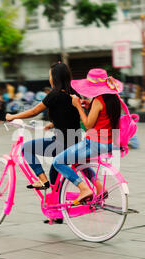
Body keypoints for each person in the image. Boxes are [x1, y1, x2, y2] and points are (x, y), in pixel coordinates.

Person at [5, 62, 81, 197]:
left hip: (61, 143)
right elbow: (68, 114)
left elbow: (34, 111)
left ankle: (42, 180)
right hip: (75, 141)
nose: (49, 79)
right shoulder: (74, 93)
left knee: (26, 148)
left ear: (55, 78)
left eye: (50, 76)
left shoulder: (54, 94)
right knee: (55, 177)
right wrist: (53, 124)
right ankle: (57, 214)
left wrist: (13, 116)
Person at [52, 68, 122, 206]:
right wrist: (89, 106)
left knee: (58, 162)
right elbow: (103, 116)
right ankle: (100, 188)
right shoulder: (113, 99)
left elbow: (88, 125)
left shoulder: (99, 101)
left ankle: (83, 189)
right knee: (80, 162)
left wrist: (78, 106)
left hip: (94, 143)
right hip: (108, 143)